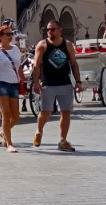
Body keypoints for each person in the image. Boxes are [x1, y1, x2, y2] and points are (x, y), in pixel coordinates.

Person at [31, 20, 82, 151]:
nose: (50, 32)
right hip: (48, 83)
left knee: (65, 112)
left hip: (65, 83)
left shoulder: (68, 45)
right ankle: (39, 131)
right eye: (48, 30)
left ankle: (63, 140)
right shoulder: (42, 45)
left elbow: (74, 64)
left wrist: (78, 82)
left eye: (52, 29)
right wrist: (36, 82)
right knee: (46, 112)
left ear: (60, 30)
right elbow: (37, 65)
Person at [0, 25, 23, 152]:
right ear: (0, 37)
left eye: (11, 33)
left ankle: (3, 132)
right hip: (1, 84)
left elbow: (18, 67)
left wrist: (22, 79)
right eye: (7, 34)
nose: (10, 36)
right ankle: (9, 144)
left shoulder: (16, 49)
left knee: (16, 116)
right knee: (6, 114)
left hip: (14, 84)